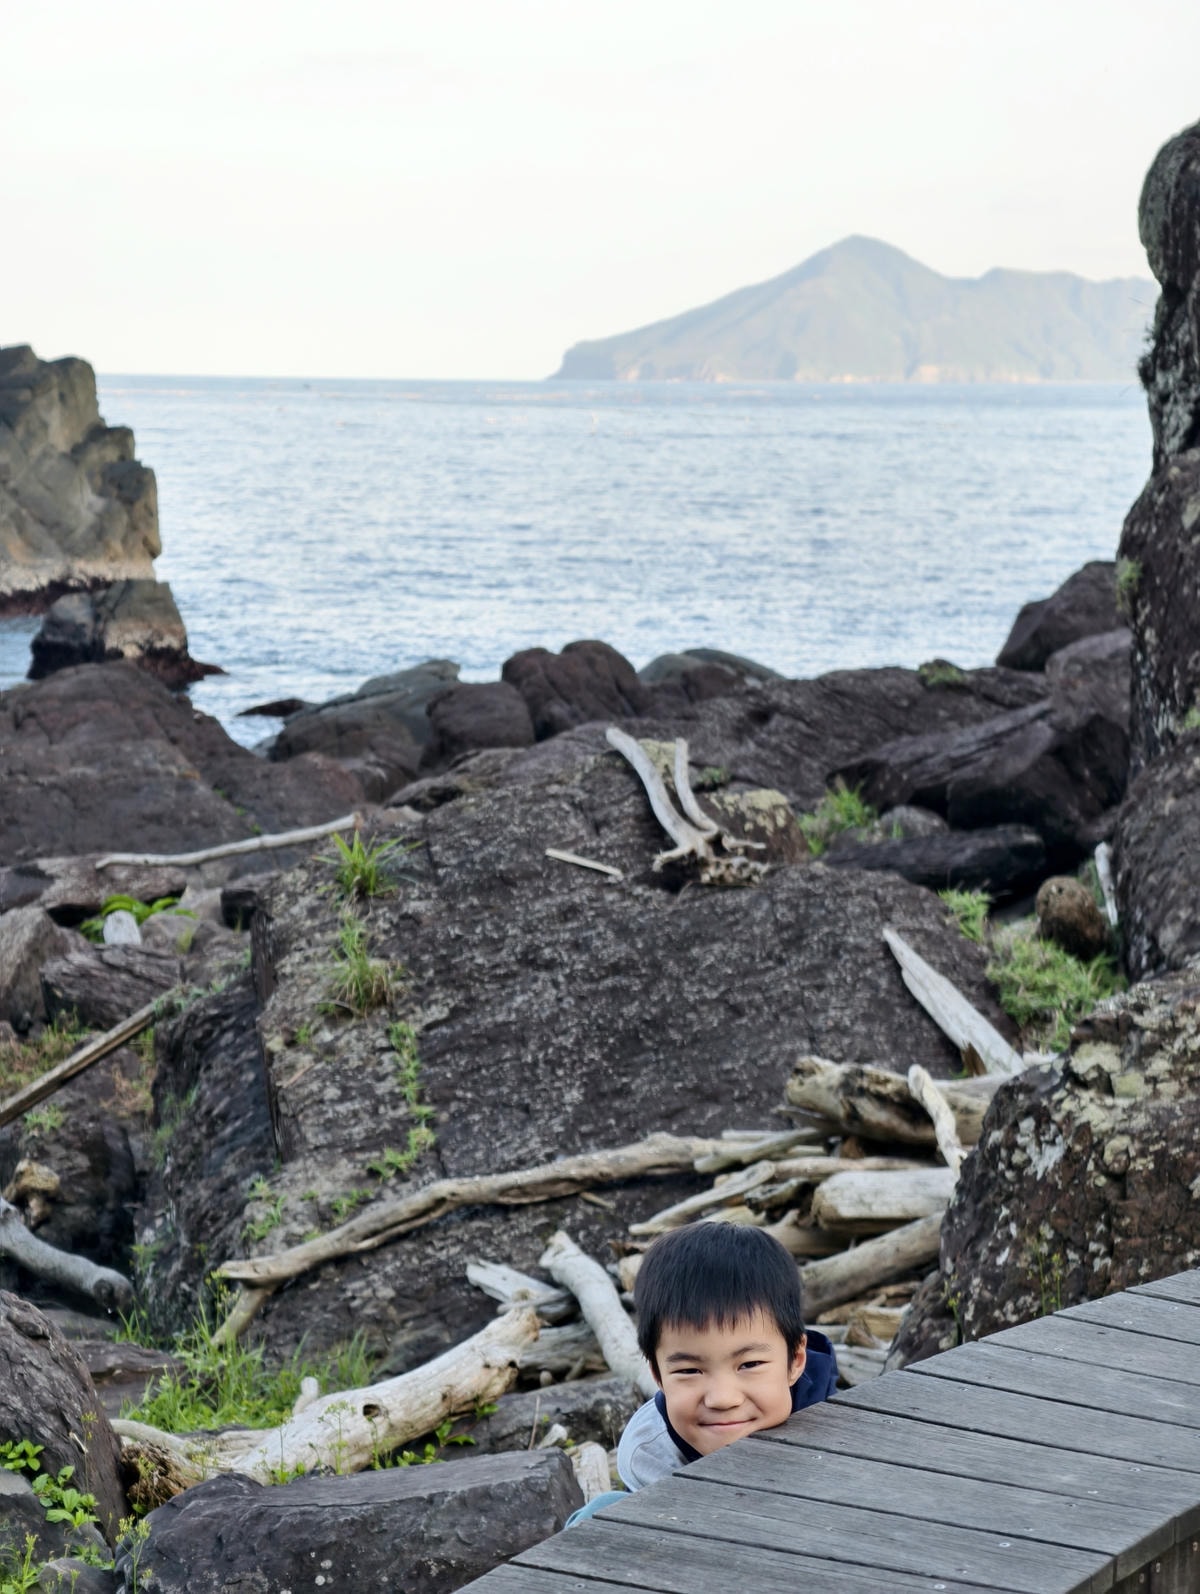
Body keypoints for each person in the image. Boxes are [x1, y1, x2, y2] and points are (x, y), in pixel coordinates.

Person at [565, 1222, 839, 1525]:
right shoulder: (653, 1454)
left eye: (749, 1365)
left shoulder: (835, 1420)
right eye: (690, 1370)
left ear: (795, 1361)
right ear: (657, 1374)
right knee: (597, 1517)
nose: (723, 1399)